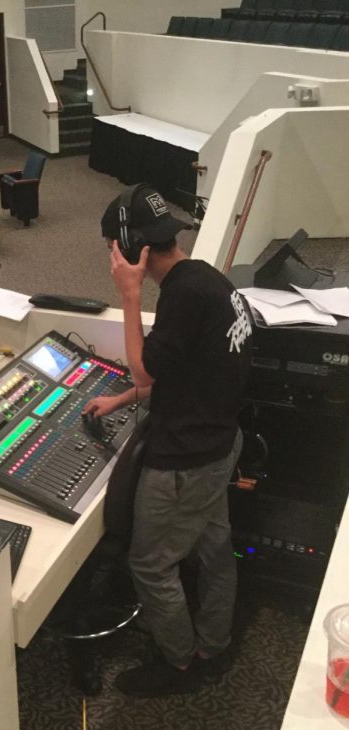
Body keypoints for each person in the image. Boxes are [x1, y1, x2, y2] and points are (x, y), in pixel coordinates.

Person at [84, 185, 253, 697]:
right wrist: (121, 399)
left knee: (150, 564)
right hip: (223, 443)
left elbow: (146, 365)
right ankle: (213, 643)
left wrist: (129, 294)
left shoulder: (177, 297)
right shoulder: (208, 280)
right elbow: (185, 368)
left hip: (186, 463)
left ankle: (180, 665)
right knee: (214, 547)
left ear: (130, 247)